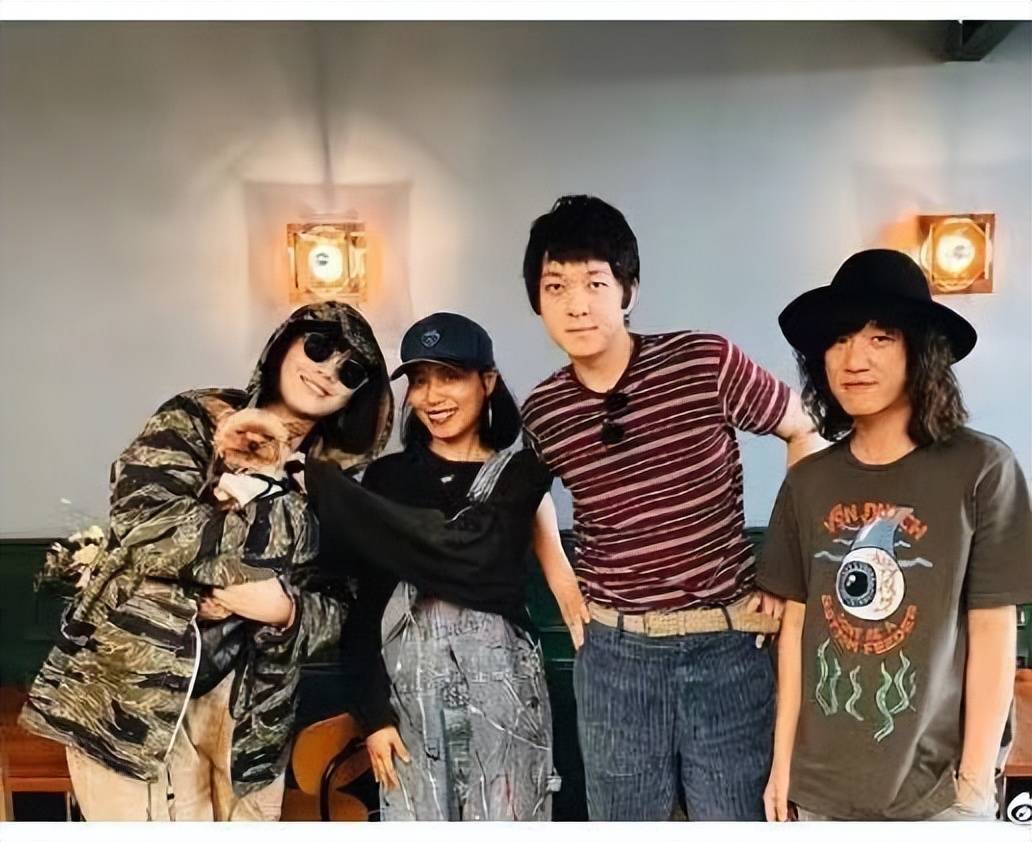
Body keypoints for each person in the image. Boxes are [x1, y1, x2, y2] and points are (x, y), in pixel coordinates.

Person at [20, 302, 393, 820]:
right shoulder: (195, 416)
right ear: (286, 342)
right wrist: (231, 583)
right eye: (319, 346)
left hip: (250, 718)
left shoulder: (340, 485)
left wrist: (284, 611)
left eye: (350, 372)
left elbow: (342, 603)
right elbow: (146, 525)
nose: (328, 371)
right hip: (135, 702)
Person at [518, 195, 825, 821]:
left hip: (729, 647)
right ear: (538, 302)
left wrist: (782, 566)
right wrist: (562, 582)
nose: (577, 304)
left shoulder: (703, 361)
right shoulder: (545, 409)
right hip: (616, 659)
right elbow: (528, 494)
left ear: (627, 290)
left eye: (595, 283)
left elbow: (804, 430)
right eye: (556, 287)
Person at [758, 249, 1032, 821]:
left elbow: (993, 628)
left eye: (880, 338)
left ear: (920, 351)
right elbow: (797, 630)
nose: (854, 358)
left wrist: (974, 784)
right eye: (839, 340)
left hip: (939, 797)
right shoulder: (808, 482)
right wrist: (783, 765)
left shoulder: (983, 469)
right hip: (819, 793)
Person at [305, 312, 585, 820]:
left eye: (449, 376)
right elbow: (364, 611)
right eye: (419, 380)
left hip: (507, 707)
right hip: (409, 713)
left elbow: (486, 567)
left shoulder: (520, 476)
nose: (431, 396)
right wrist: (374, 717)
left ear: (487, 381)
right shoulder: (386, 480)